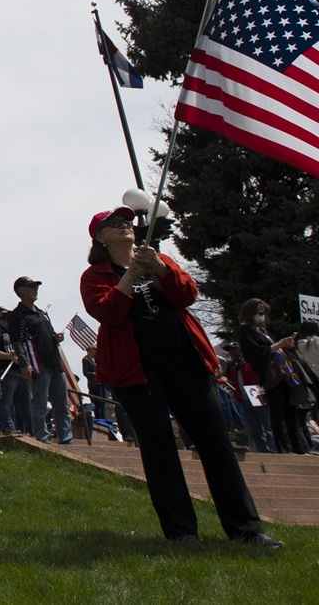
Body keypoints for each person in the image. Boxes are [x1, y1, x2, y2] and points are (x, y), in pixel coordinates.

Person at [82, 206, 280, 547]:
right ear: (100, 237)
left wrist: (157, 267)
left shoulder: (158, 259)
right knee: (159, 449)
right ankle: (182, 533)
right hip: (138, 372)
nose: (125, 227)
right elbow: (108, 314)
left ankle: (247, 530)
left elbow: (187, 294)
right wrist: (130, 275)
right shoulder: (94, 276)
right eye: (114, 224)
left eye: (128, 222)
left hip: (186, 362)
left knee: (215, 443)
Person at [237, 300, 310, 455]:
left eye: (264, 313)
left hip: (285, 375)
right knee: (276, 414)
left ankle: (299, 448)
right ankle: (281, 446)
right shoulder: (245, 331)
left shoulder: (262, 330)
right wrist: (279, 345)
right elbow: (256, 353)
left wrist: (286, 345)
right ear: (250, 312)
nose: (262, 317)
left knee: (291, 413)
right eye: (259, 313)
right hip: (272, 377)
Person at [5, 278, 73, 445]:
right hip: (37, 365)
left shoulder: (42, 313)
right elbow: (17, 342)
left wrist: (55, 338)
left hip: (55, 363)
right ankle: (42, 438)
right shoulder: (16, 315)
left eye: (36, 287)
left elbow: (47, 334)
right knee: (40, 403)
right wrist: (24, 364)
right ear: (21, 291)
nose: (36, 290)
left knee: (62, 404)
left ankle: (66, 439)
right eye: (31, 287)